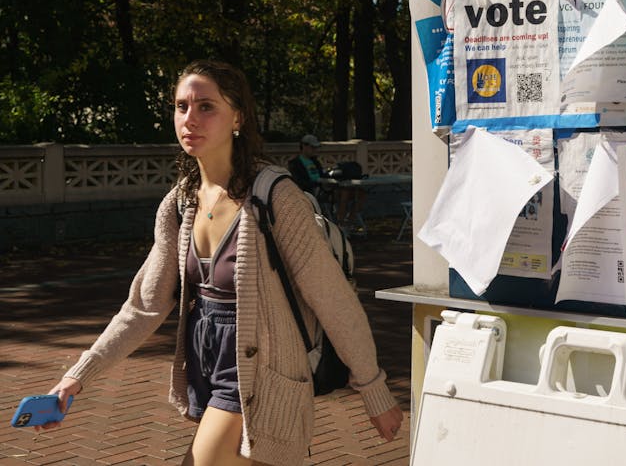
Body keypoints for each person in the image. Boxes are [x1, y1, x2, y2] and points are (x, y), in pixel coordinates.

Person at [39, 60, 403, 466]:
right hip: (205, 365)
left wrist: (374, 389)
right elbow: (144, 306)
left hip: (263, 368)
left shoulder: (275, 198)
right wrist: (77, 376)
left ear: (238, 117)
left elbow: (333, 299)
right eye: (181, 107)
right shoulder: (180, 204)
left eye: (206, 106)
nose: (189, 119)